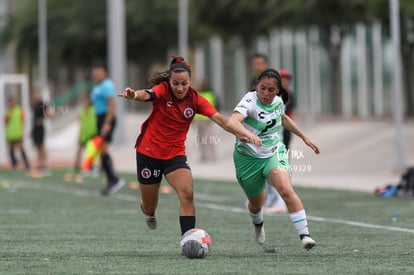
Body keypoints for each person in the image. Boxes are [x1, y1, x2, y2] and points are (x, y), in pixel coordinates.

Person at [117, 56, 246, 239]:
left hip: (174, 156)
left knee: (187, 192)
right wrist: (134, 95)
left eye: (184, 83)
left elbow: (221, 120)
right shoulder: (162, 90)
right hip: (149, 153)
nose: (179, 88)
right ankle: (149, 212)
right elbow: (148, 94)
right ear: (169, 82)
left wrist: (245, 134)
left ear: (190, 82)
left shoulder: (196, 99)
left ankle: (188, 239)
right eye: (175, 83)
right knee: (149, 205)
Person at [226, 68, 320, 250]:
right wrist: (248, 134)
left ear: (277, 90)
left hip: (274, 153)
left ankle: (305, 235)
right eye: (262, 88)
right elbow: (232, 122)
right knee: (255, 204)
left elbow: (283, 119)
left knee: (285, 188)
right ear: (256, 86)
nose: (266, 93)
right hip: (247, 159)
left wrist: (304, 137)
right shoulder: (249, 100)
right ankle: (258, 224)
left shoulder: (278, 102)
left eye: (271, 90)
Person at [249, 53, 283, 211]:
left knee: (278, 167)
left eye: (261, 63)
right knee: (262, 169)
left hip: (275, 134)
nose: (258, 66)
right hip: (258, 135)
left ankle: (280, 199)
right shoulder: (252, 85)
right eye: (255, 63)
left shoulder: (274, 82)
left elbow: (280, 110)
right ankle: (266, 197)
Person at [90, 65, 124, 195]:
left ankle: (114, 179)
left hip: (106, 119)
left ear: (104, 73)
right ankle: (111, 179)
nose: (96, 75)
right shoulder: (97, 86)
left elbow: (112, 104)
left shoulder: (106, 85)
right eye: (94, 73)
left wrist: (107, 123)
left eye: (98, 73)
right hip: (99, 119)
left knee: (103, 150)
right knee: (101, 150)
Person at [193, 79, 218, 162]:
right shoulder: (197, 94)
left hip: (208, 119)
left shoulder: (211, 93)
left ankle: (212, 155)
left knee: (209, 138)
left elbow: (216, 105)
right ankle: (203, 156)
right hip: (198, 119)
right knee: (199, 139)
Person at [4, 96, 31, 172]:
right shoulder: (7, 111)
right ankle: (14, 165)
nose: (11, 104)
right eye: (10, 103)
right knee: (11, 150)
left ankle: (27, 165)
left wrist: (22, 131)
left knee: (21, 149)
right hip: (10, 134)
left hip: (18, 134)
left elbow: (23, 121)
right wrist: (9, 114)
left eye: (12, 102)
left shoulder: (19, 110)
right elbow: (5, 122)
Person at [73, 96, 98, 174]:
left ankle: (91, 167)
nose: (85, 103)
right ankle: (77, 166)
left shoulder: (94, 110)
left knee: (90, 152)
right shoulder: (83, 111)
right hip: (83, 135)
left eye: (86, 102)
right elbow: (79, 120)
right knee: (79, 151)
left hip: (92, 135)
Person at [31, 90, 49, 175]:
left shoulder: (42, 104)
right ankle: (40, 164)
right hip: (35, 128)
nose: (35, 95)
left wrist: (41, 120)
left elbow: (49, 112)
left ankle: (45, 165)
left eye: (37, 93)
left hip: (40, 128)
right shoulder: (34, 104)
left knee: (42, 146)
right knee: (38, 147)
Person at [279, 69, 295, 149]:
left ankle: (285, 161)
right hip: (276, 125)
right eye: (282, 79)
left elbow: (290, 108)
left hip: (286, 125)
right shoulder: (274, 94)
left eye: (286, 80)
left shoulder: (290, 94)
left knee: (286, 147)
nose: (285, 82)